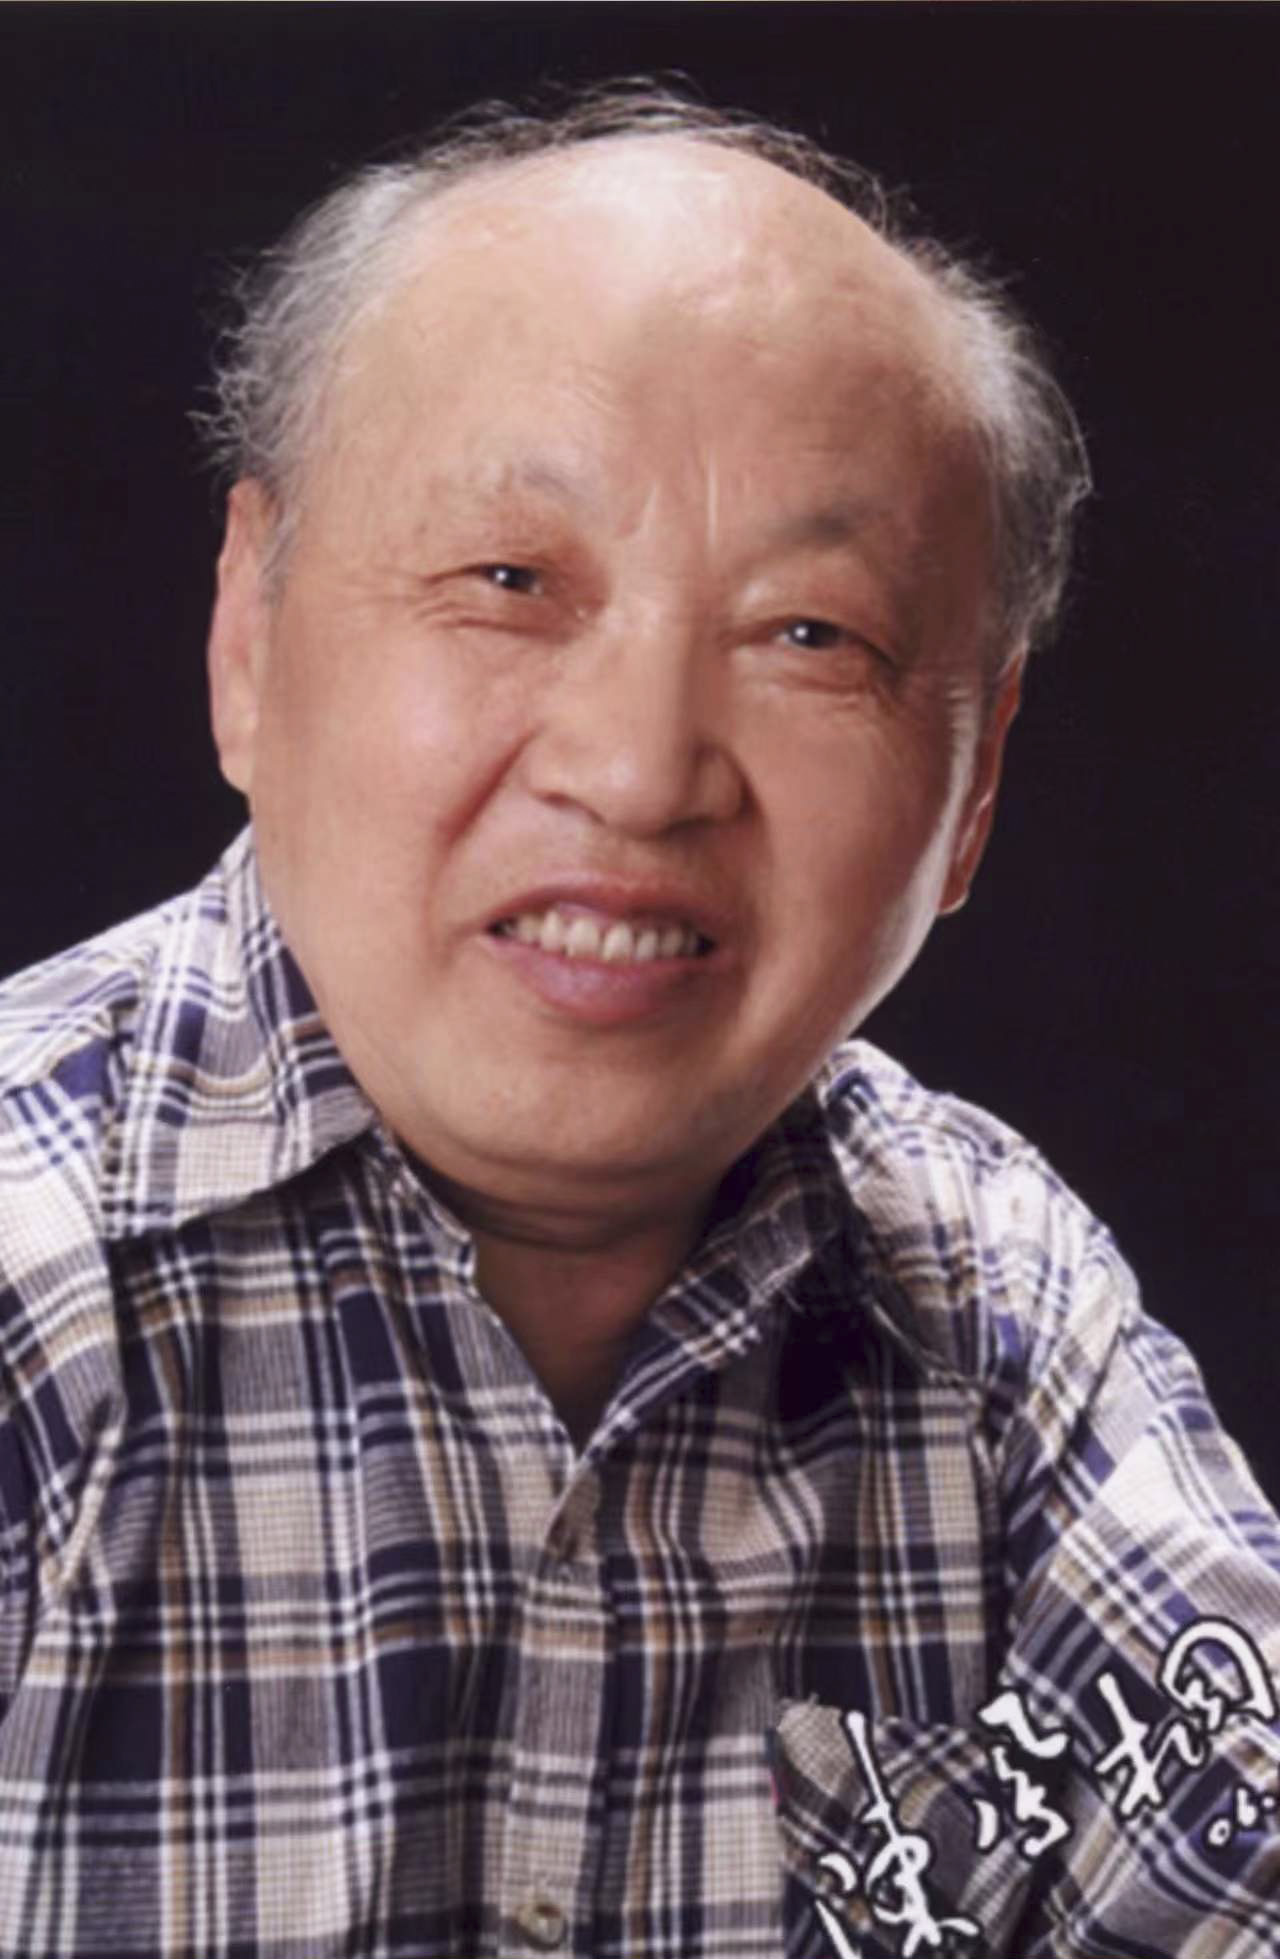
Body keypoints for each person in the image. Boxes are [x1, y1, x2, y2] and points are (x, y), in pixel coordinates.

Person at [0, 83, 1275, 1959]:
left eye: (813, 635)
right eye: (512, 582)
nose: (639, 769)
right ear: (248, 640)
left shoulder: (1000, 1316)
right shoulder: (32, 1288)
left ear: (977, 786)